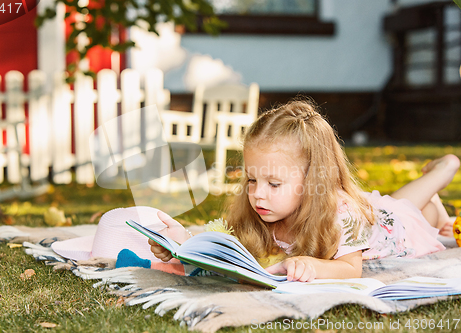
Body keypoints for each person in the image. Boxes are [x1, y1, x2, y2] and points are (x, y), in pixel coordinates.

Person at [150, 97, 459, 282]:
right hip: (372, 211)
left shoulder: (342, 213)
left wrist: (313, 266)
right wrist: (182, 247)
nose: (258, 193)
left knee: (411, 212)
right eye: (251, 180)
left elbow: (351, 270)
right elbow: (226, 247)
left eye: (273, 183)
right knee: (398, 204)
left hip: (394, 227)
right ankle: (435, 201)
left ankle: (445, 167)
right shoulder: (265, 207)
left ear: (313, 181)